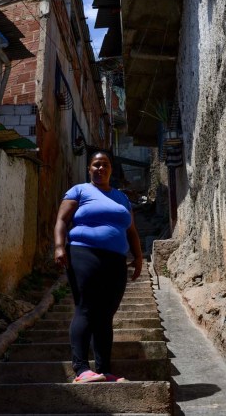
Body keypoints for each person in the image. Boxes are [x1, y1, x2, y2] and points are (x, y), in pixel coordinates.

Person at [53, 150, 143, 383]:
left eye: (105, 165)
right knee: (86, 308)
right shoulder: (80, 191)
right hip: (84, 252)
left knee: (105, 315)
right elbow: (62, 220)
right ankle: (81, 369)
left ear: (111, 169)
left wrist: (139, 257)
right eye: (96, 165)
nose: (100, 169)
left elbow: (131, 230)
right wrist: (59, 247)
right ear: (89, 169)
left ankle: (104, 370)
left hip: (115, 260)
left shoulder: (121, 198)